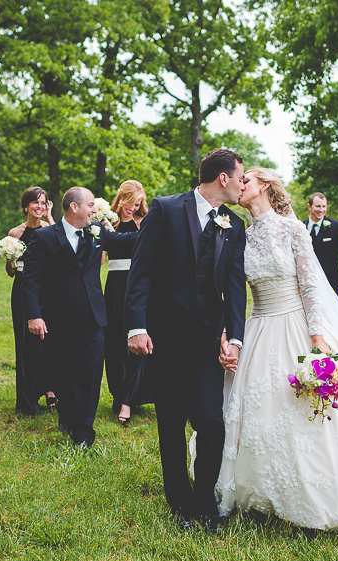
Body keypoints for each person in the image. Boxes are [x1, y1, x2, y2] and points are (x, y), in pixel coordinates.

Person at [214, 167, 338, 531]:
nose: (240, 186)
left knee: (306, 409)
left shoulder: (293, 229)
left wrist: (317, 337)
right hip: (258, 326)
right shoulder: (241, 235)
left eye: (246, 181)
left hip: (297, 325)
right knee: (256, 407)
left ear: (265, 186)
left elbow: (311, 285)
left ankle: (325, 490)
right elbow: (234, 292)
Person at [125, 148, 247, 532]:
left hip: (207, 341)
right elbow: (140, 271)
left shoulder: (234, 224)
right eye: (240, 177)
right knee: (172, 422)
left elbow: (235, 288)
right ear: (222, 178)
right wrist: (136, 326)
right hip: (164, 338)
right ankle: (179, 502)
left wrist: (236, 339)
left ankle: (204, 498)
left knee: (211, 420)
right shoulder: (165, 209)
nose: (244, 184)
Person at [21, 186, 137, 448]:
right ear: (75, 207)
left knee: (90, 375)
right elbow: (31, 281)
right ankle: (68, 415)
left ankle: (83, 430)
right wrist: (33, 316)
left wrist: (153, 229)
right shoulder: (44, 237)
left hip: (93, 319)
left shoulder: (97, 233)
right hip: (57, 321)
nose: (94, 210)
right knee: (63, 374)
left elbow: (124, 242)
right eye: (91, 205)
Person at [102, 180, 151, 426]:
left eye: (138, 204)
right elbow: (99, 260)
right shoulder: (109, 225)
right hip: (113, 285)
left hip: (136, 284)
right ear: (120, 200)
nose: (133, 208)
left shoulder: (144, 223)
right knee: (113, 342)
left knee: (136, 338)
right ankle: (118, 393)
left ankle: (129, 399)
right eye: (130, 203)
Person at [5, 186, 57, 416]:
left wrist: (50, 217)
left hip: (49, 290)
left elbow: (61, 245)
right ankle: (27, 397)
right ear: (26, 206)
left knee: (48, 341)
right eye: (36, 202)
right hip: (24, 289)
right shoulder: (15, 234)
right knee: (26, 343)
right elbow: (10, 271)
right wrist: (11, 257)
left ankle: (50, 388)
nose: (40, 206)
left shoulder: (49, 228)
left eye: (43, 203)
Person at [302, 192, 338, 295]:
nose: (321, 210)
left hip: (330, 281)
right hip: (307, 281)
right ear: (309, 206)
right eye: (318, 206)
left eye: (324, 206)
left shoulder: (337, 226)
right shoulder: (301, 226)